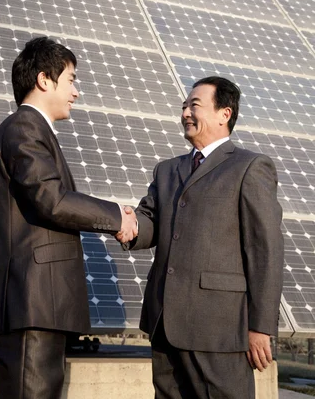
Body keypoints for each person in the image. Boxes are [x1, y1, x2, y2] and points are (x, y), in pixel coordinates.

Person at [0, 36, 137, 399]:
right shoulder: (24, 129)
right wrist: (117, 216)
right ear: (43, 80)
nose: (76, 91)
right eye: (70, 79)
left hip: (40, 303)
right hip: (32, 300)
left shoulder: (32, 131)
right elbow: (51, 200)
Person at [119, 76, 283, 399]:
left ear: (225, 113)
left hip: (219, 331)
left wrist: (261, 326)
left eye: (195, 105)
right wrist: (127, 224)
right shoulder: (167, 170)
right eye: (184, 106)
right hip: (164, 324)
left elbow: (266, 252)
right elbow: (150, 220)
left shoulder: (250, 167)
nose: (185, 113)